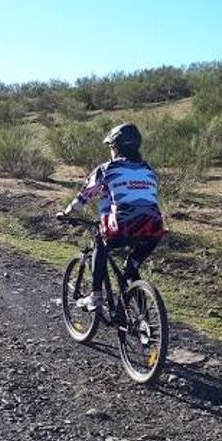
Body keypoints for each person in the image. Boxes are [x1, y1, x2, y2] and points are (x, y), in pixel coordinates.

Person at [57, 122, 165, 311]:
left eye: (111, 147)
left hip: (123, 226)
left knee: (100, 241)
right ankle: (142, 319)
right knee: (131, 270)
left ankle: (96, 296)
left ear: (116, 147)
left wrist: (67, 212)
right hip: (154, 227)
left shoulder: (108, 169)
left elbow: (85, 195)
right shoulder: (148, 170)